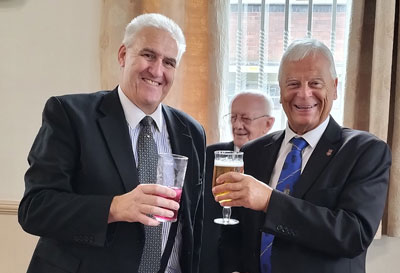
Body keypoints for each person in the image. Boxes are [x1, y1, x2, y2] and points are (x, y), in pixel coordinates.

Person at [18, 13, 206, 273]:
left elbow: (192, 225)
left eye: (169, 62)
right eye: (148, 55)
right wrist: (114, 207)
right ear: (122, 55)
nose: (157, 70)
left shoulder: (191, 132)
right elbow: (35, 209)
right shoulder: (70, 114)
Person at [214, 38, 392, 273]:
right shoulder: (253, 152)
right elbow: (232, 233)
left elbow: (353, 235)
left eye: (315, 83)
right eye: (293, 83)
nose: (304, 94)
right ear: (280, 91)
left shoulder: (366, 151)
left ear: (335, 88)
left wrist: (270, 201)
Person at [199, 92, 275, 273]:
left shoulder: (275, 163)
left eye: (246, 119)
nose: (237, 125)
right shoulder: (208, 155)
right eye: (233, 117)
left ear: (268, 124)